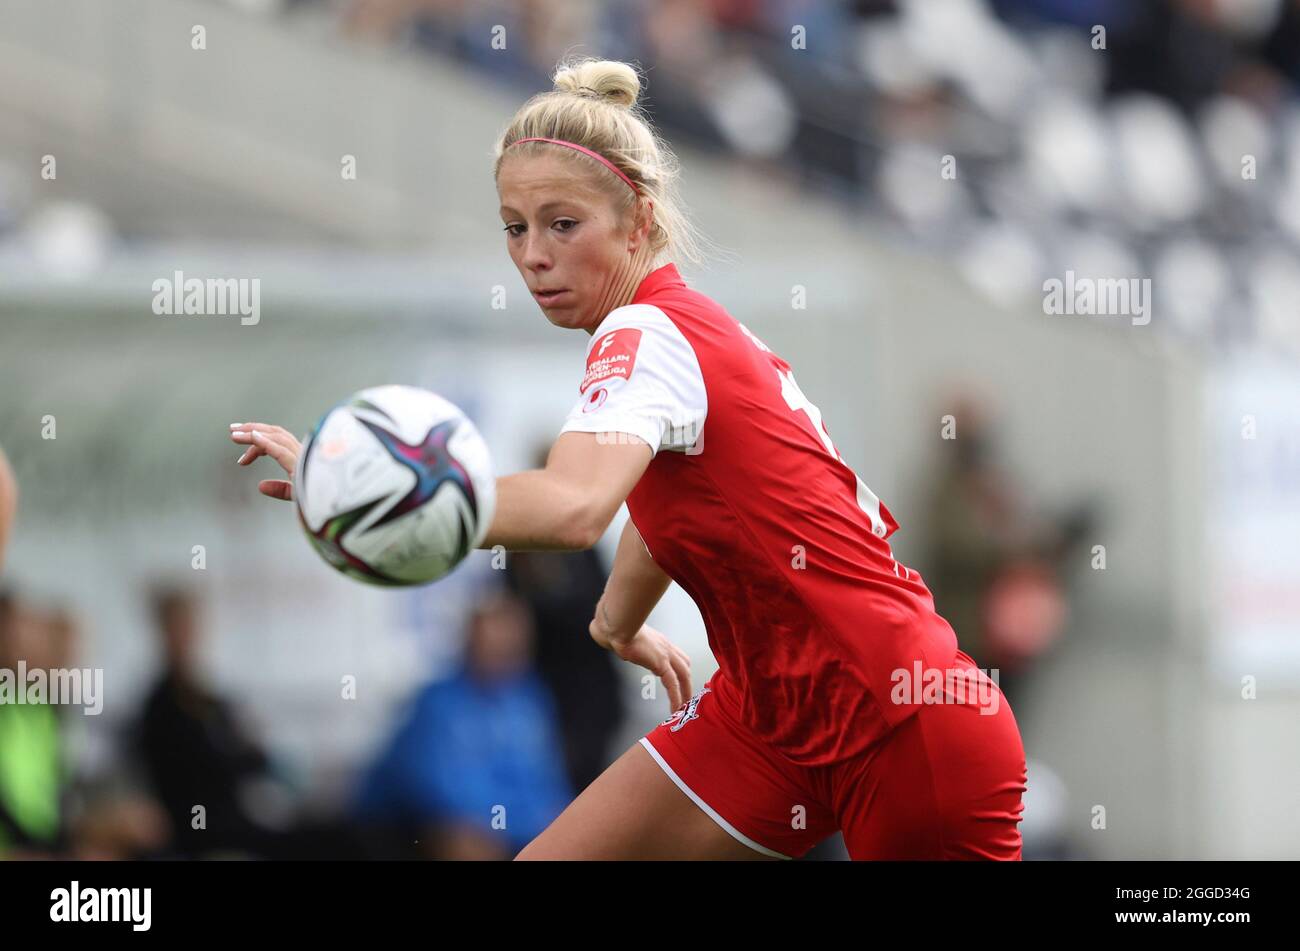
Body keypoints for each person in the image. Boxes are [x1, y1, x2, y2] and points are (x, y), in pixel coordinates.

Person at [229, 57, 1026, 860]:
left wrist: (367, 492)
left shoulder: (642, 334)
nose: (534, 254)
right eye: (515, 227)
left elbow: (577, 508)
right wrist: (619, 617)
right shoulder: (671, 329)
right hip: (770, 717)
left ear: (639, 221)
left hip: (898, 718)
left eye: (562, 223)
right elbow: (678, 489)